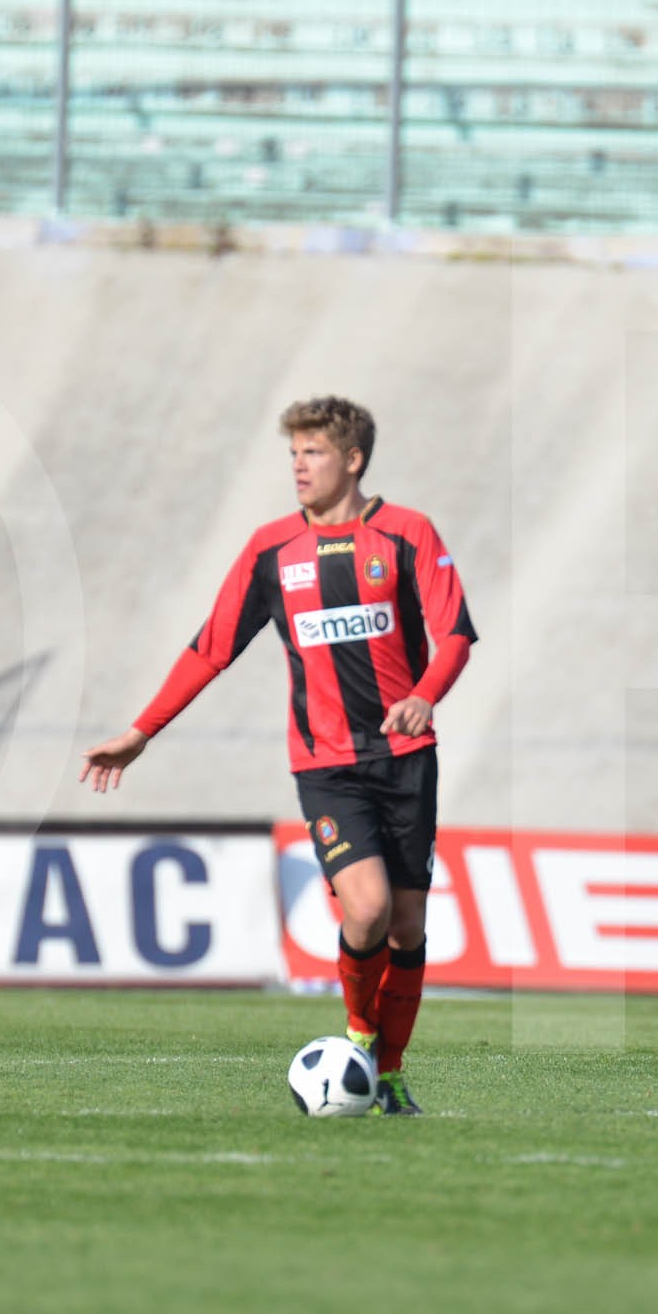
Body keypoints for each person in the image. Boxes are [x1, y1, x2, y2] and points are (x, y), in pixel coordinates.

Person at [79, 395, 478, 1116]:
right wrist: (142, 730)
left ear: (352, 460)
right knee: (366, 914)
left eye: (313, 452)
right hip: (324, 763)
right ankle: (359, 1036)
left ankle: (387, 1076)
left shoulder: (408, 533)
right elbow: (212, 647)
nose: (297, 465)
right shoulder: (271, 550)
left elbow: (455, 633)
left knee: (407, 927)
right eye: (292, 452)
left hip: (405, 756)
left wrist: (424, 694)